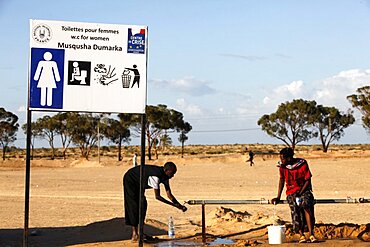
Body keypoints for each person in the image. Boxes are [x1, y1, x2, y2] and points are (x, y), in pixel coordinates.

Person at [123, 161, 187, 242]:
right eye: (172, 173)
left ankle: (141, 232)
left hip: (140, 180)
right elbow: (158, 196)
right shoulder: (156, 176)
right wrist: (174, 205)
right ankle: (135, 235)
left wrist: (180, 206)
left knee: (143, 204)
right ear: (166, 171)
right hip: (131, 179)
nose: (173, 176)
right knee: (135, 206)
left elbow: (169, 194)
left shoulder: (165, 177)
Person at [271, 147, 317, 243]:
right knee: (295, 209)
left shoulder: (302, 164)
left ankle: (311, 233)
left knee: (306, 205)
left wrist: (300, 193)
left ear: (289, 158)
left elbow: (307, 180)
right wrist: (278, 197)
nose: (281, 160)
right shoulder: (282, 167)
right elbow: (282, 180)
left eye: (283, 158)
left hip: (304, 190)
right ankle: (301, 235)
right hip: (291, 191)